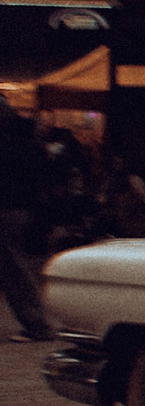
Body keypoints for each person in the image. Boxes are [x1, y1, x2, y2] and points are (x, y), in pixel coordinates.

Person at [0, 106, 53, 342]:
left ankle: (36, 323)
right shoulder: (28, 143)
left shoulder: (9, 145)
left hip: (8, 207)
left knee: (13, 268)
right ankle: (35, 321)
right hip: (20, 208)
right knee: (13, 266)